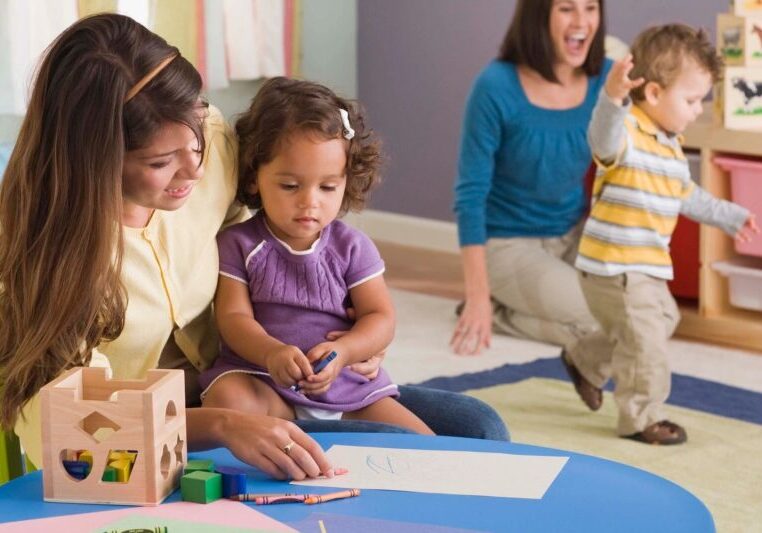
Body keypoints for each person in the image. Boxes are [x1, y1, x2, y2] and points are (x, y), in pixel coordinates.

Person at [0, 15, 506, 478]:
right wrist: (220, 426)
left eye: (195, 142)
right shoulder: (48, 256)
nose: (195, 171)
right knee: (422, 457)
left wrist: (356, 338)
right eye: (161, 163)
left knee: (477, 425)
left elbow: (267, 240)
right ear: (97, 160)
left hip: (265, 383)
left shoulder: (212, 143)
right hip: (153, 440)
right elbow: (74, 428)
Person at [199, 77, 433, 435]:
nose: (310, 201)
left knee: (425, 445)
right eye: (290, 186)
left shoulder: (352, 246)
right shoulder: (238, 243)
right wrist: (271, 353)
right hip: (264, 383)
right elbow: (232, 317)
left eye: (328, 187)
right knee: (227, 401)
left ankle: (322, 438)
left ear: (347, 180)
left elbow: (380, 316)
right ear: (253, 179)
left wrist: (347, 352)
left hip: (350, 392)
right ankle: (291, 436)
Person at [564, 24, 758, 445]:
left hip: (645, 267)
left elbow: (687, 195)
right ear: (652, 94)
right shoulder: (628, 134)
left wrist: (731, 215)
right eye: (690, 100)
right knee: (646, 343)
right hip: (615, 266)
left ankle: (586, 359)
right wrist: (613, 99)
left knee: (663, 319)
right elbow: (602, 137)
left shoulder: (670, 146)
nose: (695, 110)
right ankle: (641, 418)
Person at [451, 0, 611, 357]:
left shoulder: (606, 80)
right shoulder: (495, 86)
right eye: (567, 9)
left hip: (574, 235)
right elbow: (470, 196)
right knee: (604, 318)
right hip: (508, 245)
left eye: (590, 7)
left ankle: (509, 309)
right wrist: (477, 295)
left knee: (643, 310)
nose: (582, 21)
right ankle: (497, 309)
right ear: (539, 15)